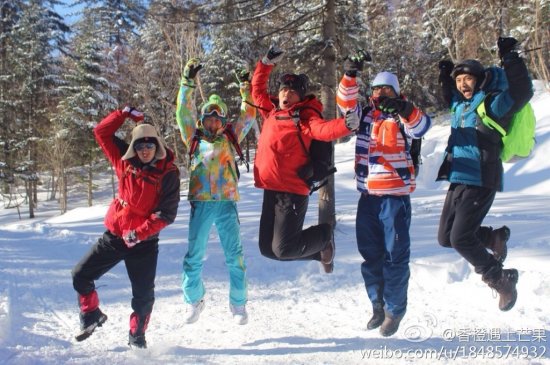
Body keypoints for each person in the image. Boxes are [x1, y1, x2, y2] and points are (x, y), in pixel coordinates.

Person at [336, 52, 432, 337]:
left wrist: (403, 108)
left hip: (394, 197)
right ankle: (377, 304)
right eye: (376, 88)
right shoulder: (364, 114)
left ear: (397, 92)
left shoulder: (404, 117)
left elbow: (421, 126)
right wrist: (350, 75)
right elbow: (344, 104)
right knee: (370, 255)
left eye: (386, 89)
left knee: (395, 255)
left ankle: (395, 309)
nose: (380, 93)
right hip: (367, 197)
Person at [436, 37, 533, 312]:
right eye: (458, 81)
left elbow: (521, 91)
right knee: (446, 238)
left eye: (467, 79)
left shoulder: (491, 104)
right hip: (458, 180)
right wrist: (445, 75)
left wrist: (511, 58)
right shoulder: (460, 106)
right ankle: (493, 238)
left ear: (479, 80)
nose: (462, 84)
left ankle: (501, 279)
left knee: (460, 238)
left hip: (481, 178)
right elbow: (449, 98)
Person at [71, 107, 181, 348]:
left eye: (149, 146)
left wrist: (139, 234)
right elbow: (101, 133)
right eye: (140, 146)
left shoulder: (169, 173)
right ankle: (91, 315)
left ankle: (137, 336)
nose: (144, 150)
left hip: (144, 243)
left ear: (157, 147)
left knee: (143, 297)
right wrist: (123, 113)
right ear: (134, 148)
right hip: (115, 236)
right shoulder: (124, 161)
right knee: (80, 275)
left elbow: (166, 214)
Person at [251, 46, 356, 274]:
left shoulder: (304, 117)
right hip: (271, 189)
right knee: (267, 250)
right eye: (283, 90)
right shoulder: (271, 112)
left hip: (292, 190)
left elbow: (324, 130)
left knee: (284, 249)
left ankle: (324, 235)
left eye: (292, 92)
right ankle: (320, 253)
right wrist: (266, 63)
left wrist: (346, 124)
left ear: (300, 96)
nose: (286, 94)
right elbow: (257, 90)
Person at [175, 59, 256, 325]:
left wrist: (246, 87)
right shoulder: (193, 137)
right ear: (202, 119)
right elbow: (182, 112)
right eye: (208, 118)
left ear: (222, 119)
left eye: (217, 117)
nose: (212, 122)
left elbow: (249, 115)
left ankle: (239, 304)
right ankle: (194, 299)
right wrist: (187, 81)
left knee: (235, 256)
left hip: (226, 204)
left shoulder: (230, 138)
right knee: (194, 255)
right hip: (201, 202)